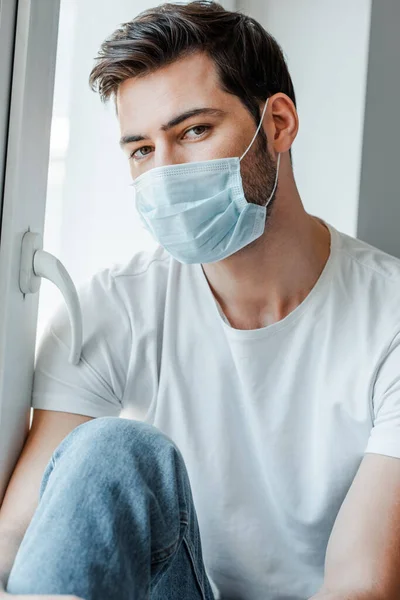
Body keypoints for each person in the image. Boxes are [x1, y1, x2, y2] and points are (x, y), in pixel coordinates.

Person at [1, 1, 400, 599]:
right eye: (141, 150)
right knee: (111, 451)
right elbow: (18, 539)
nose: (163, 173)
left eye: (193, 131)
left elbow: (362, 585)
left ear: (279, 124)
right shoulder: (113, 308)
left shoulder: (388, 318)